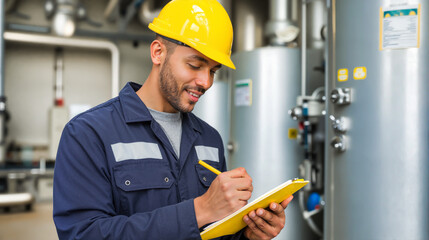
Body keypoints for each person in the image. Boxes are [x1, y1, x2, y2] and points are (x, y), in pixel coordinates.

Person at [53, 0, 293, 239]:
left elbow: (213, 230)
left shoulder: (209, 139)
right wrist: (199, 210)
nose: (206, 82)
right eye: (195, 65)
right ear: (158, 53)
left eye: (212, 71)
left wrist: (246, 234)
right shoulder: (88, 133)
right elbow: (83, 234)